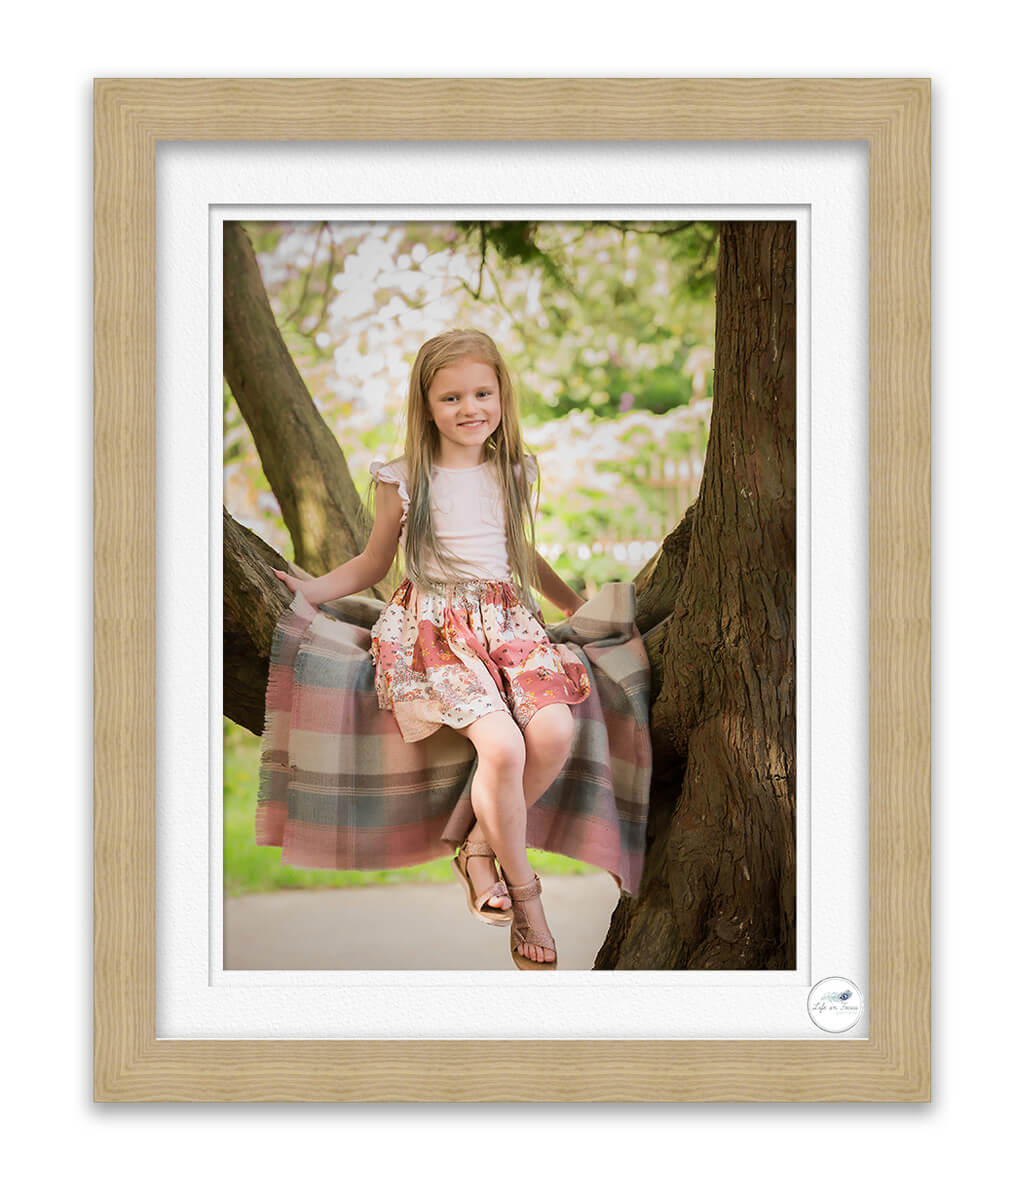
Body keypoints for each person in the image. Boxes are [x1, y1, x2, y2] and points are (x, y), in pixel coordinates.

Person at [272, 328, 592, 970]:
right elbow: (372, 561)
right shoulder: (403, 479)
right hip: (437, 631)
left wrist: (570, 607)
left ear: (502, 394)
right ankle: (525, 894)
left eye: (482, 392)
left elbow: (519, 553)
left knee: (554, 734)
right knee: (501, 746)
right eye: (451, 398)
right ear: (426, 406)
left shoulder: (514, 470)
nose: (469, 408)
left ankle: (476, 847)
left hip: (508, 623)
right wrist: (311, 590)